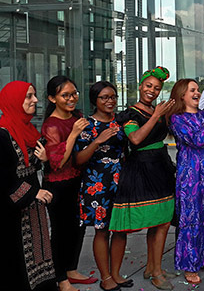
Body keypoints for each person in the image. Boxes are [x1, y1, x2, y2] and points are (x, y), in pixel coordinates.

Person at [110, 66, 177, 290]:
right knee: (150, 221)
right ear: (140, 86)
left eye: (157, 88)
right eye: (148, 86)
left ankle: (152, 267)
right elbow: (136, 139)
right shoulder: (131, 113)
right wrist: (157, 115)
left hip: (161, 167)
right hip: (141, 170)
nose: (152, 91)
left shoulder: (156, 109)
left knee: (162, 221)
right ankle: (156, 272)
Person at [167, 79, 204, 285]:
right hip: (190, 176)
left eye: (198, 90)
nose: (197, 93)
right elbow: (197, 140)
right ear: (182, 94)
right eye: (192, 90)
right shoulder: (177, 119)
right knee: (191, 219)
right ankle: (189, 265)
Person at [74, 81, 131, 291]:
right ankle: (105, 277)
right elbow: (78, 159)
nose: (110, 101)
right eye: (104, 97)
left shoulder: (121, 121)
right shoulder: (87, 125)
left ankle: (116, 273)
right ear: (95, 101)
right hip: (97, 182)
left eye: (113, 96)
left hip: (121, 181)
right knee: (101, 230)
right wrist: (97, 141)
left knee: (120, 229)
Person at [1, 81, 57, 291]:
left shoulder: (28, 130)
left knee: (38, 253)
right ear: (14, 101)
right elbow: (3, 178)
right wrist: (33, 192)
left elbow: (27, 165)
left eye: (34, 95)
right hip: (12, 213)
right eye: (28, 96)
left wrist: (41, 159)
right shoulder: (2, 134)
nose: (35, 100)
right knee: (17, 259)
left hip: (33, 205)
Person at [41, 76, 96, 291]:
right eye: (65, 95)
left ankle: (72, 269)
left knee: (77, 228)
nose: (72, 98)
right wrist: (73, 133)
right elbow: (57, 162)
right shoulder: (51, 125)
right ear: (53, 99)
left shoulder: (77, 116)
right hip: (58, 185)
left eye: (74, 94)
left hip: (77, 180)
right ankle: (61, 278)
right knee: (61, 232)